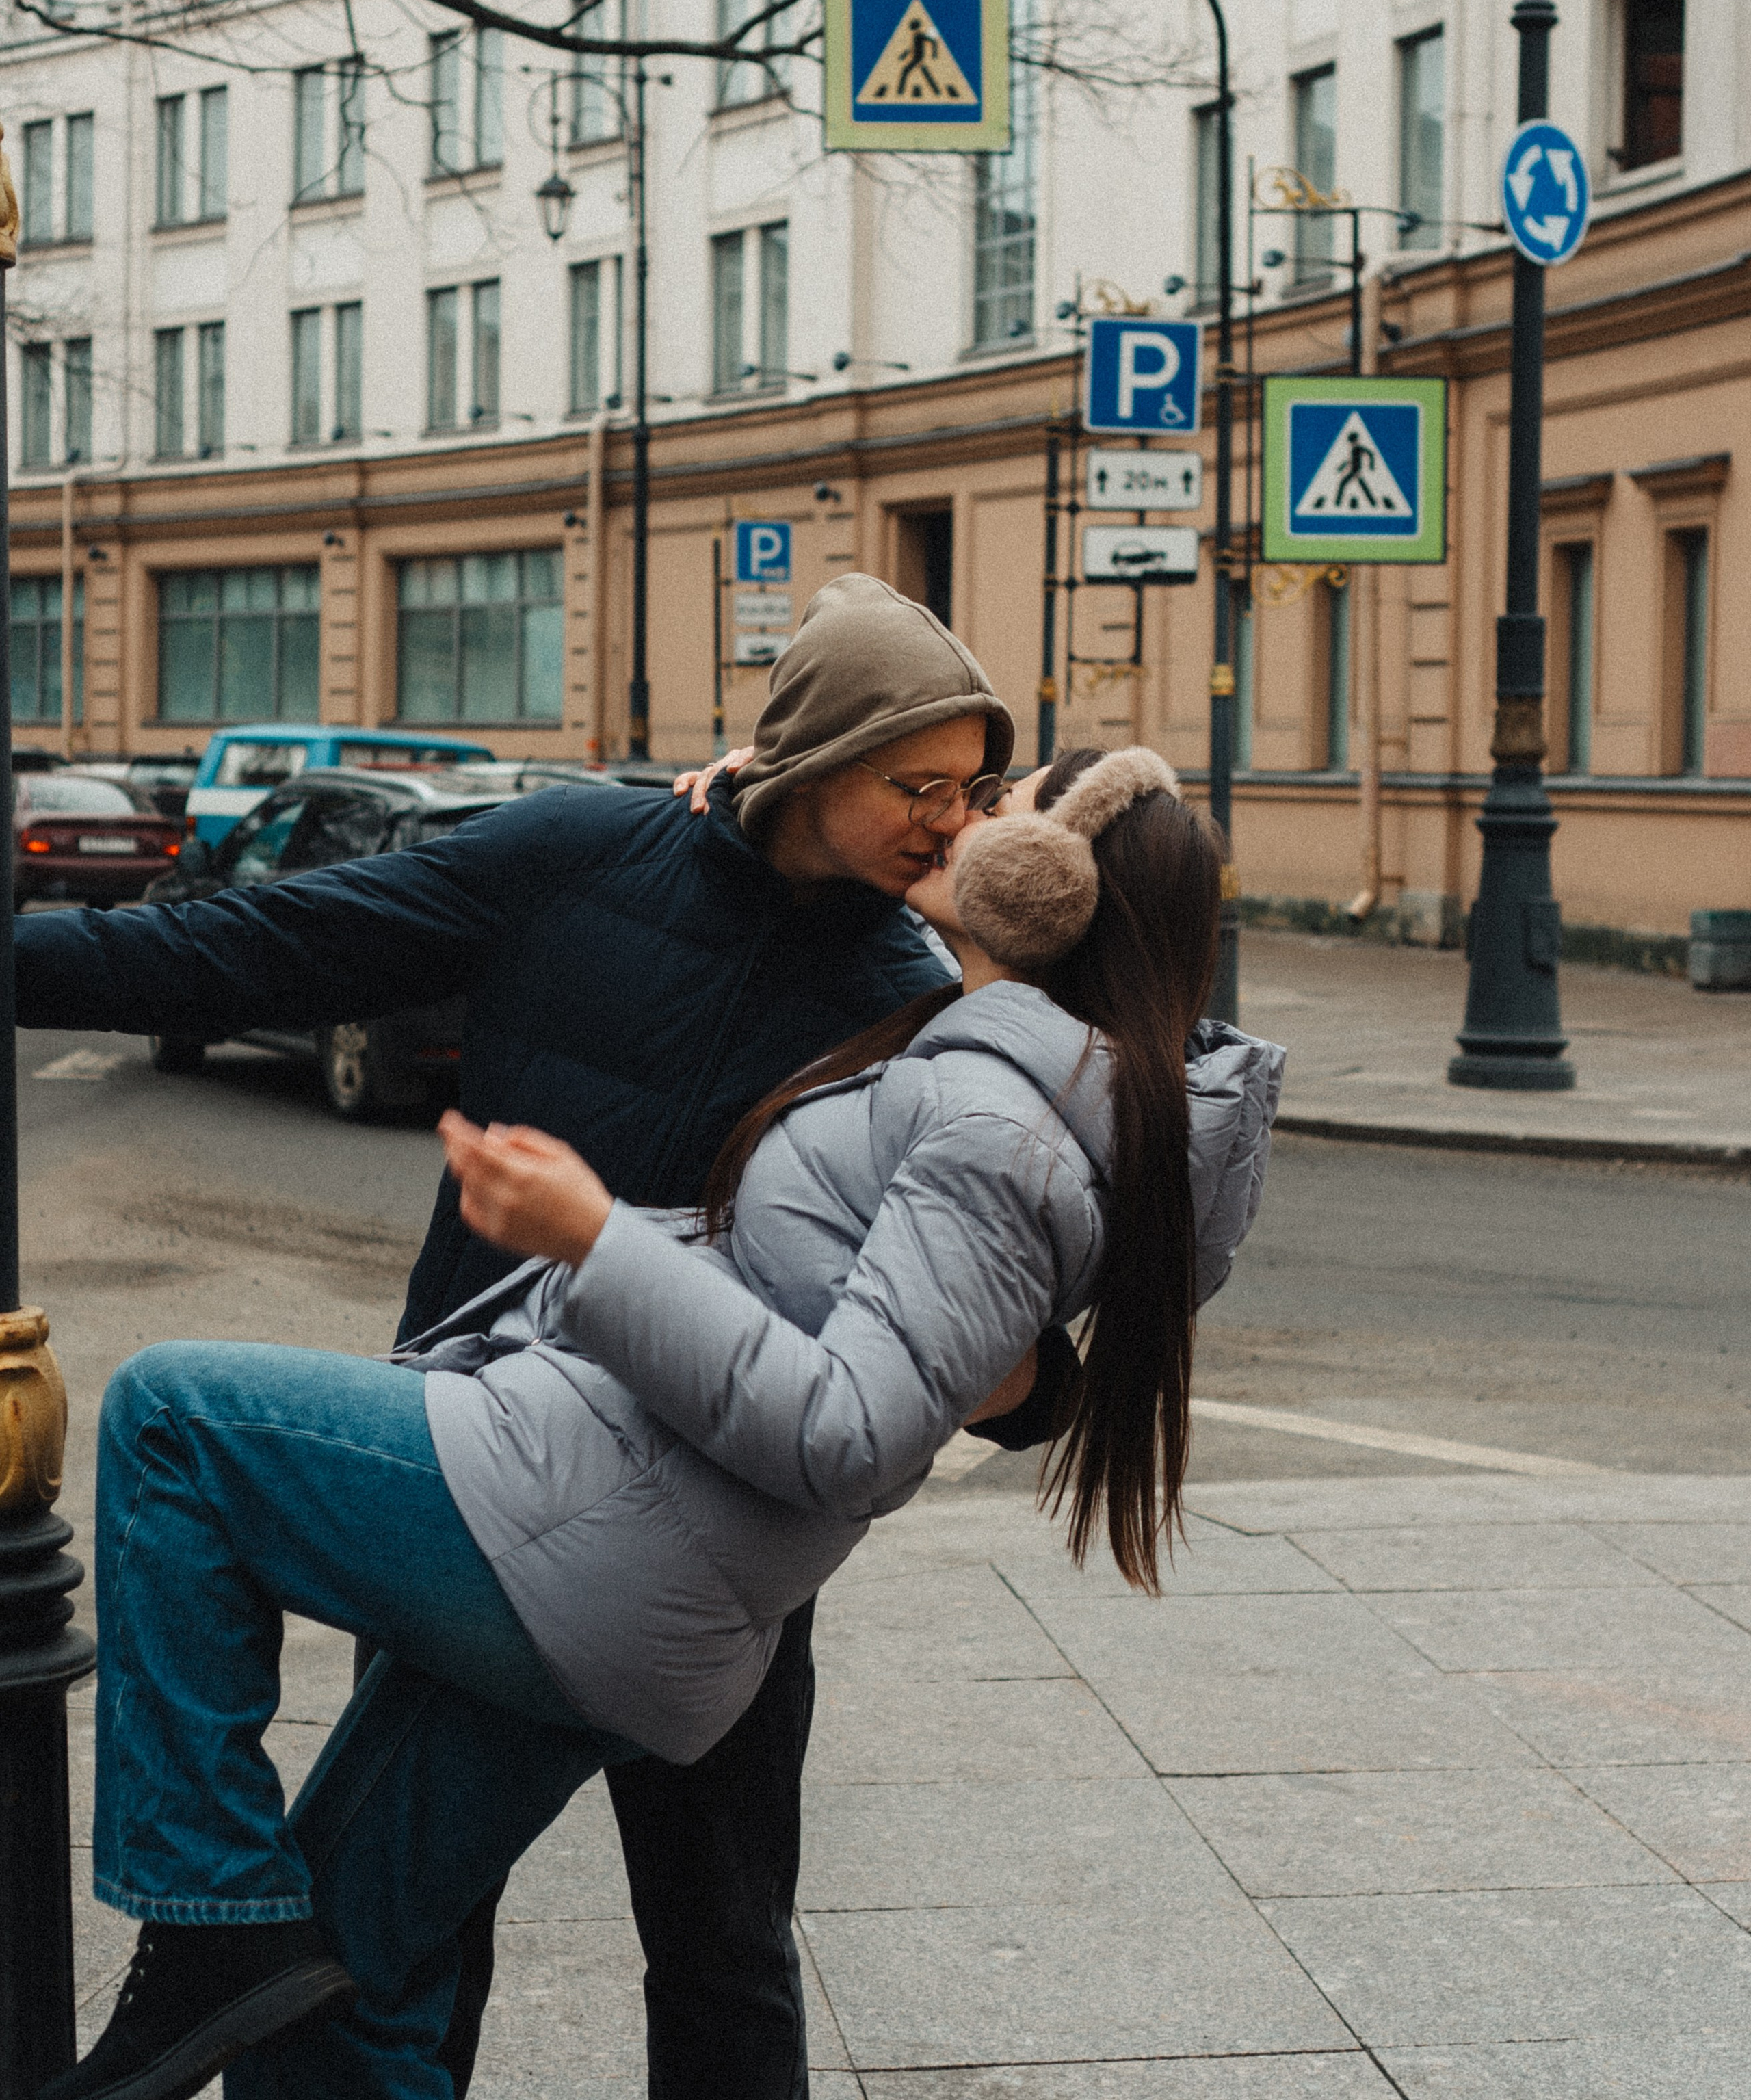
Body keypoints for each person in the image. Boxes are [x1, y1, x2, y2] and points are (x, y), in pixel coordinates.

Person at [47, 744, 1282, 2100]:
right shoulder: (961, 1034)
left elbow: (863, 1426)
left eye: (996, 803)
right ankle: (227, 1944)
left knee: (171, 1420)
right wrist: (756, 805)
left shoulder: (990, 1101)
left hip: (623, 1531)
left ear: (1050, 888)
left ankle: (206, 1915)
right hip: (593, 1504)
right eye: (928, 787)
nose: (959, 821)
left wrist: (593, 1239)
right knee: (352, 1961)